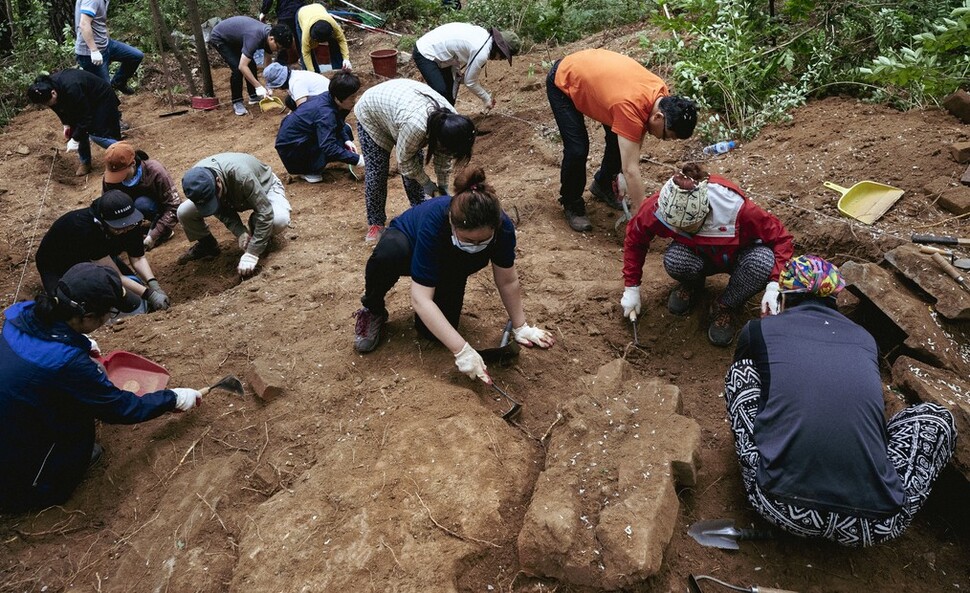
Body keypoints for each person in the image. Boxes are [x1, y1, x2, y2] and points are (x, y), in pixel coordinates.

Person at [723, 255, 956, 547]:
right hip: (876, 524)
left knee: (743, 372)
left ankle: (772, 465)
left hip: (780, 504)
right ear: (835, 295)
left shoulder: (758, 330)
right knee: (937, 418)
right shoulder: (865, 338)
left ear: (784, 295)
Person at [0, 262, 202, 513]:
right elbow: (120, 408)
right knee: (81, 414)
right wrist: (173, 398)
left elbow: (40, 350)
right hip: (16, 479)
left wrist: (79, 344)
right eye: (107, 315)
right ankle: (48, 481)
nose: (108, 320)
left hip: (14, 415)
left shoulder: (22, 314)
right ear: (86, 317)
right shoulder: (67, 364)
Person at [353, 165, 555, 382]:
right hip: (408, 246)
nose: (476, 245)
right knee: (389, 254)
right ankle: (372, 309)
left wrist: (520, 326)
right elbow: (420, 298)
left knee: (433, 334)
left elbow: (507, 280)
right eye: (469, 240)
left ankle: (443, 288)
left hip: (453, 265)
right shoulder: (434, 223)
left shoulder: (502, 227)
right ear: (452, 223)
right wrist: (461, 350)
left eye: (482, 241)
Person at [620, 162, 793, 347]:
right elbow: (635, 238)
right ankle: (692, 285)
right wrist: (631, 287)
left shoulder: (736, 208)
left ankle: (726, 305)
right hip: (699, 254)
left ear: (705, 212)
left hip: (740, 255)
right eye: (674, 226)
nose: (678, 230)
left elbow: (782, 239)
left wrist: (775, 284)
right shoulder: (659, 206)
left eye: (686, 227)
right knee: (674, 260)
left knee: (763, 262)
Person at [546, 48, 697, 232]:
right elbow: (631, 168)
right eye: (667, 135)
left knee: (620, 143)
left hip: (596, 78)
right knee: (577, 148)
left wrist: (619, 176)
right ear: (658, 117)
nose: (663, 139)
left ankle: (603, 185)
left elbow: (632, 147)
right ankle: (572, 202)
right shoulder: (629, 106)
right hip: (564, 80)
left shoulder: (659, 93)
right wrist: (640, 213)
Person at [354, 78, 476, 243]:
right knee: (378, 171)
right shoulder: (416, 127)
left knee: (415, 164)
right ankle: (376, 222)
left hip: (400, 106)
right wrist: (428, 185)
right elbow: (404, 162)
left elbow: (444, 157)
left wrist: (442, 188)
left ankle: (419, 209)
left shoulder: (452, 122)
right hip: (373, 111)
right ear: (438, 139)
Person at [35, 190, 171, 313]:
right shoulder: (85, 229)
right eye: (118, 228)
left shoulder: (132, 223)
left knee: (134, 295)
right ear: (102, 222)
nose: (125, 230)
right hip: (57, 264)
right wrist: (150, 295)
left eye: (128, 226)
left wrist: (154, 285)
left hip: (100, 254)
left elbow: (138, 258)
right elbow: (116, 276)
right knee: (70, 307)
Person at [178, 153, 291, 278]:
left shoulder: (242, 176)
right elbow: (219, 209)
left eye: (213, 198)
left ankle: (256, 230)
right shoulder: (198, 181)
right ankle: (207, 246)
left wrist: (252, 252)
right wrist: (240, 232)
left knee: (279, 220)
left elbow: (265, 211)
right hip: (232, 196)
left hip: (263, 186)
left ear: (218, 181)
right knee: (184, 212)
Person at [274, 71, 364, 183]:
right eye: (351, 97)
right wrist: (358, 160)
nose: (354, 100)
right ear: (337, 98)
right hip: (293, 151)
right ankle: (307, 170)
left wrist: (346, 140)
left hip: (303, 139)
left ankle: (318, 161)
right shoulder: (325, 113)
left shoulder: (331, 99)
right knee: (326, 152)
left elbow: (339, 123)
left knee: (345, 130)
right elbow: (328, 146)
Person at [27, 70, 120, 176]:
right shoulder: (46, 89)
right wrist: (66, 124)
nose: (48, 105)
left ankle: (125, 152)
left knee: (97, 135)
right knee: (76, 131)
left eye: (48, 102)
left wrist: (75, 139)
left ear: (53, 93)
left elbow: (85, 118)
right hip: (82, 99)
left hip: (101, 98)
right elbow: (57, 107)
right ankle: (85, 162)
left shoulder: (71, 87)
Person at [413, 23, 520, 110]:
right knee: (441, 93)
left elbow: (456, 47)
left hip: (442, 53)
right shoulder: (482, 52)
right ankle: (427, 122)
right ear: (499, 49)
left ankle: (446, 126)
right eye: (502, 56)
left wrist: (456, 71)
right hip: (426, 52)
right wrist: (486, 98)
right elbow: (470, 82)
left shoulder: (483, 35)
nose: (499, 59)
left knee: (450, 97)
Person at [102, 142, 180, 251]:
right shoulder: (110, 179)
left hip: (154, 208)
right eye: (114, 175)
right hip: (129, 210)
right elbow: (107, 207)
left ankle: (162, 229)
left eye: (121, 173)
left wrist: (154, 235)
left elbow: (174, 205)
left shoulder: (155, 171)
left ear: (133, 163)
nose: (118, 179)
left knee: (143, 204)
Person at [208, 16, 293, 116]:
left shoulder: (270, 35)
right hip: (221, 37)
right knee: (237, 68)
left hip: (237, 37)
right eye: (278, 47)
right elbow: (242, 66)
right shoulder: (255, 37)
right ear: (271, 39)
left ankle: (253, 96)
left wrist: (268, 84)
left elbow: (267, 60)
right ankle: (237, 101)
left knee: (251, 64)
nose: (278, 50)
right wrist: (258, 86)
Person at [74, 0, 144, 95]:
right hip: (89, 53)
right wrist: (94, 51)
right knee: (105, 93)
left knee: (136, 56)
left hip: (106, 45)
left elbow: (101, 22)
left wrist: (108, 47)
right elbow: (84, 24)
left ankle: (118, 83)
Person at [295, 2, 351, 74]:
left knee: (335, 44)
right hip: (302, 13)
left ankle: (339, 71)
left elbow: (341, 40)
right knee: (306, 51)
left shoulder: (333, 25)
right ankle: (311, 74)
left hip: (318, 9)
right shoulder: (306, 33)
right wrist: (312, 73)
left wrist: (346, 59)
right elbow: (306, 53)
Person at [263, 61, 329, 111]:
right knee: (289, 100)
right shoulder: (294, 74)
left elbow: (303, 110)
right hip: (323, 96)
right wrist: (269, 90)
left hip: (326, 102)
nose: (278, 88)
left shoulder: (296, 83)